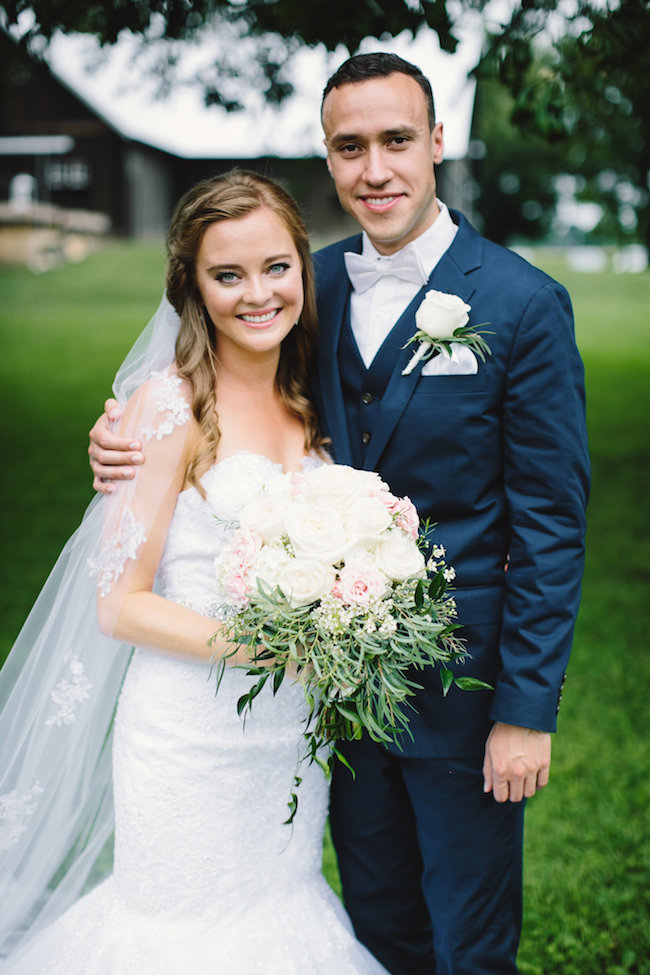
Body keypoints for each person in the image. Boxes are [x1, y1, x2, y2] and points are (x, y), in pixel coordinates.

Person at [88, 55, 590, 975]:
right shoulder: (303, 288)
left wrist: (524, 710)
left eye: (398, 140)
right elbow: (213, 384)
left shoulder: (522, 305)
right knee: (375, 931)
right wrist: (120, 437)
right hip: (329, 713)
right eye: (349, 147)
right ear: (329, 160)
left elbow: (552, 525)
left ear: (438, 143)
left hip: (464, 699)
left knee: (470, 945)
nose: (376, 169)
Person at [0, 171, 390, 974]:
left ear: (302, 272)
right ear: (191, 286)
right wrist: (273, 648)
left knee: (279, 916)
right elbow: (120, 605)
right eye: (228, 274)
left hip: (288, 742)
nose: (258, 293)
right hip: (186, 740)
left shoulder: (312, 402)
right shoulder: (164, 408)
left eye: (278, 267)